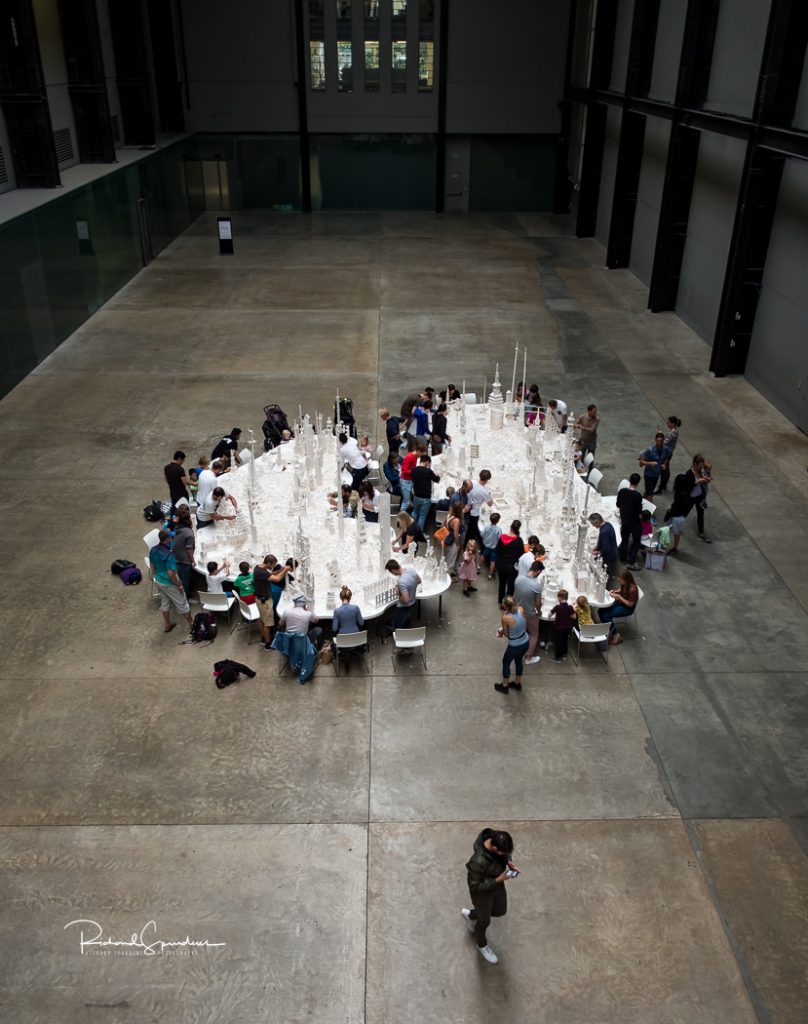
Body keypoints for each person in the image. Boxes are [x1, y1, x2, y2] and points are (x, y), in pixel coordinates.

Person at [461, 828, 518, 965]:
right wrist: (498, 879)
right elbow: (475, 887)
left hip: (497, 887)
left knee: (500, 910)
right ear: (493, 847)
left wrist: (509, 861)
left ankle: (471, 915)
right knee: (484, 921)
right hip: (482, 894)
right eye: (502, 853)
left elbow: (506, 853)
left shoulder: (497, 838)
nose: (505, 854)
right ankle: (482, 945)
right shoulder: (477, 861)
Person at [148, 529, 193, 634]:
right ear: (168, 539)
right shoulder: (169, 555)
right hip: (169, 583)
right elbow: (171, 573)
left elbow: (152, 566)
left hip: (159, 581)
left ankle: (168, 624)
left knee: (165, 602)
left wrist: (156, 576)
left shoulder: (153, 550)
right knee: (183, 603)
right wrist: (178, 584)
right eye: (171, 537)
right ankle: (192, 624)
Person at [495, 597, 529, 694]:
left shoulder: (505, 618)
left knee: (506, 662)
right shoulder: (521, 609)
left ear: (505, 606)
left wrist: (500, 632)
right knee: (518, 661)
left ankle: (505, 685)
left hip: (515, 645)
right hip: (525, 641)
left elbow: (506, 634)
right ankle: (517, 683)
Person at [597, 570, 639, 645]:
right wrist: (615, 592)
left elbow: (630, 604)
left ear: (626, 580)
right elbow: (622, 590)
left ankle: (616, 635)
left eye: (621, 580)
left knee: (606, 615)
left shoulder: (633, 589)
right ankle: (608, 628)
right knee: (600, 611)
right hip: (621, 603)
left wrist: (618, 597)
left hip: (627, 608)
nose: (619, 581)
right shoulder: (625, 584)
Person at [514, 561, 544, 665]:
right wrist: (539, 612)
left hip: (518, 612)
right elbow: (538, 603)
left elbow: (515, 596)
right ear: (539, 571)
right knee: (534, 634)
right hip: (530, 613)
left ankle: (520, 654)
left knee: (522, 632)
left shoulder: (518, 579)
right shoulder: (536, 586)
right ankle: (529, 657)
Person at [616, 473, 643, 569]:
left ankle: (622, 557)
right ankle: (631, 561)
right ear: (638, 483)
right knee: (637, 540)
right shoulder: (638, 496)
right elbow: (639, 510)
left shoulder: (622, 492)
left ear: (629, 480)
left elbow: (618, 504)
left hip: (624, 520)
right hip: (634, 521)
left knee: (625, 538)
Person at [386, 559, 421, 631]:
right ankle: (406, 633)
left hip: (404, 607)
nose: (392, 574)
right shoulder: (411, 570)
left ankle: (398, 636)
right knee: (406, 621)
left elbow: (406, 600)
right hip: (413, 602)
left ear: (393, 570)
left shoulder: (401, 582)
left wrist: (398, 593)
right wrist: (410, 588)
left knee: (398, 625)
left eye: (391, 572)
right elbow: (419, 581)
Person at [495, 520, 523, 606]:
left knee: (502, 583)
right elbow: (520, 554)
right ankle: (507, 603)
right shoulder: (518, 540)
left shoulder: (502, 537)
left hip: (501, 564)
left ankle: (501, 601)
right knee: (511, 585)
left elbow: (497, 550)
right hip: (511, 566)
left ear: (510, 527)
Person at [410, 454, 440, 531]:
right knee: (422, 516)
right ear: (426, 462)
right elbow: (437, 480)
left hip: (416, 496)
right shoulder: (428, 471)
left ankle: (410, 529)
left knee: (414, 512)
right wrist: (438, 475)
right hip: (425, 498)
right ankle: (419, 533)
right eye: (428, 463)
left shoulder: (414, 470)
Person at [171, 508, 196, 597]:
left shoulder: (177, 527)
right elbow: (189, 549)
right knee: (185, 580)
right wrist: (193, 560)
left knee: (183, 577)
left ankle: (189, 588)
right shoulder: (189, 532)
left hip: (176, 556)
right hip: (184, 560)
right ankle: (186, 598)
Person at [589, 512, 619, 582]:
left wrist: (597, 552)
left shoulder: (604, 532)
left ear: (597, 522)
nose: (593, 526)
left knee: (603, 574)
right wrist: (597, 546)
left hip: (609, 557)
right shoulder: (607, 524)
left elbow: (606, 549)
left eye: (593, 524)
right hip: (613, 552)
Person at [639, 432, 670, 499]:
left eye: (661, 441)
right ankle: (649, 507)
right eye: (658, 441)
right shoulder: (650, 450)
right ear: (655, 440)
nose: (659, 443)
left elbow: (667, 457)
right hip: (649, 475)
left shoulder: (666, 449)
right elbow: (641, 462)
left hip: (657, 475)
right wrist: (650, 463)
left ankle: (641, 501)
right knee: (650, 494)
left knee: (649, 491)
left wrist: (664, 464)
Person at [466, 470, 493, 547]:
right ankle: (475, 545)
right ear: (487, 480)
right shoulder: (484, 491)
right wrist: (489, 495)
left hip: (467, 508)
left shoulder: (472, 482)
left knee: (470, 528)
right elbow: (490, 503)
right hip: (474, 512)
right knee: (473, 529)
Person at [549, 589, 576, 663]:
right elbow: (574, 617)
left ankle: (558, 657)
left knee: (559, 642)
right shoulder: (570, 607)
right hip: (567, 627)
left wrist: (551, 611)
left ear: (560, 597)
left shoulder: (557, 607)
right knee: (565, 641)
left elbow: (549, 615)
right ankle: (564, 654)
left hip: (559, 628)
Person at [658, 416, 682, 493]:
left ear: (672, 423)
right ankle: (663, 484)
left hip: (667, 453)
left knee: (664, 469)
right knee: (666, 468)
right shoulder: (673, 431)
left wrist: (660, 435)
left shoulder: (673, 433)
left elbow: (665, 442)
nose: (667, 423)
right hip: (668, 452)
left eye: (668, 422)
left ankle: (662, 485)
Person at [442, 500, 466, 576]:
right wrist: (457, 544)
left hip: (446, 538)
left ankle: (444, 571)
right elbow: (456, 534)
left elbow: (442, 525)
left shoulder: (449, 514)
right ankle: (447, 576)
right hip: (452, 542)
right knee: (451, 559)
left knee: (445, 557)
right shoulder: (457, 520)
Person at [398, 438, 419, 513]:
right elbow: (404, 470)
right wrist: (414, 471)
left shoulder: (414, 457)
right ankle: (401, 518)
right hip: (405, 481)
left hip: (409, 480)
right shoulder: (409, 457)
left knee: (410, 498)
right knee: (406, 501)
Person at [481, 512, 502, 579]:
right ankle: (490, 574)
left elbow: (482, 534)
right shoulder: (498, 529)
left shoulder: (486, 527)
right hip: (494, 548)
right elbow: (500, 539)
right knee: (493, 561)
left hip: (486, 546)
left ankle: (478, 567)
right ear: (498, 521)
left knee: (483, 555)